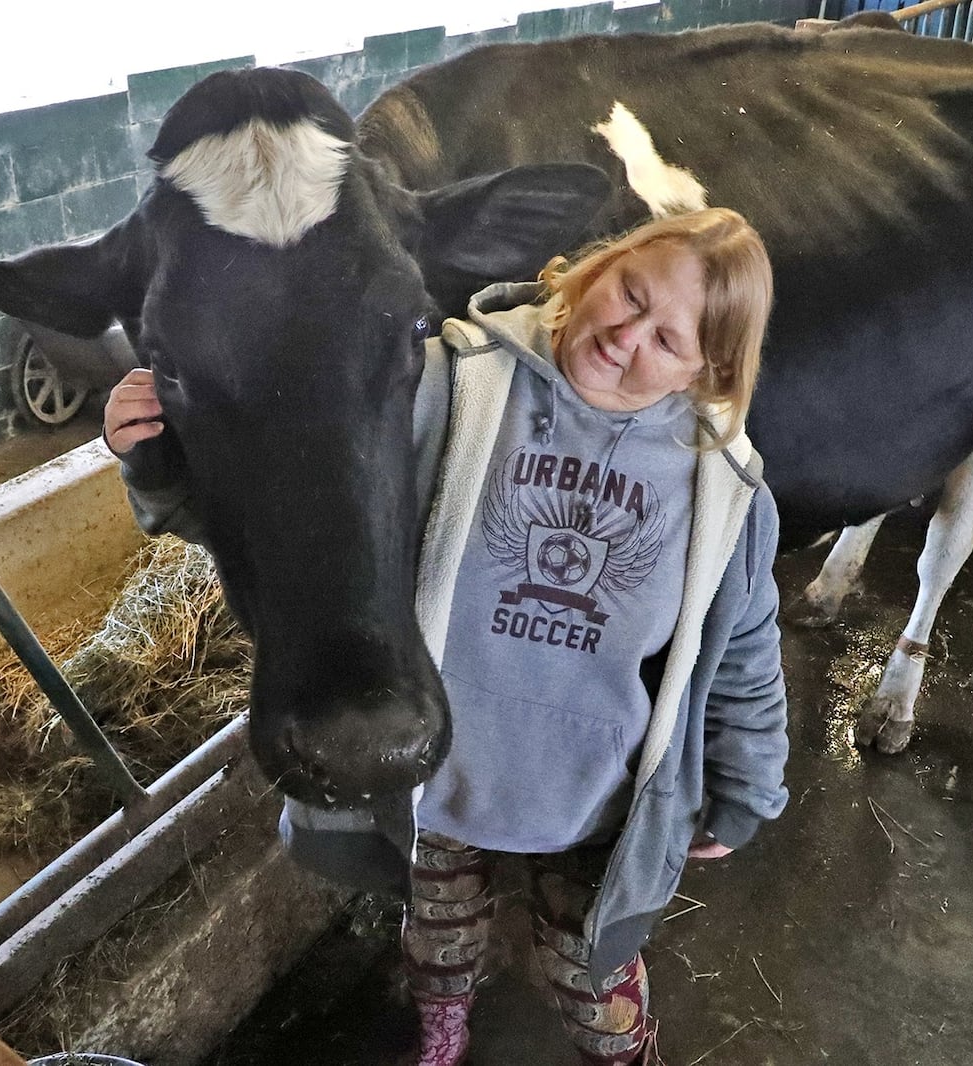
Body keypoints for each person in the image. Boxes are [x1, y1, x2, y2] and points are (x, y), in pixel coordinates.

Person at [104, 207, 789, 1066]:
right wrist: (167, 455)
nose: (623, 336)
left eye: (668, 338)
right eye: (629, 292)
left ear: (709, 370)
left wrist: (748, 783)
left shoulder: (723, 488)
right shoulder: (445, 385)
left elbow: (746, 649)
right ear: (597, 267)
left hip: (591, 797)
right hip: (436, 770)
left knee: (593, 975)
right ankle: (442, 1032)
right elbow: (296, 507)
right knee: (438, 934)